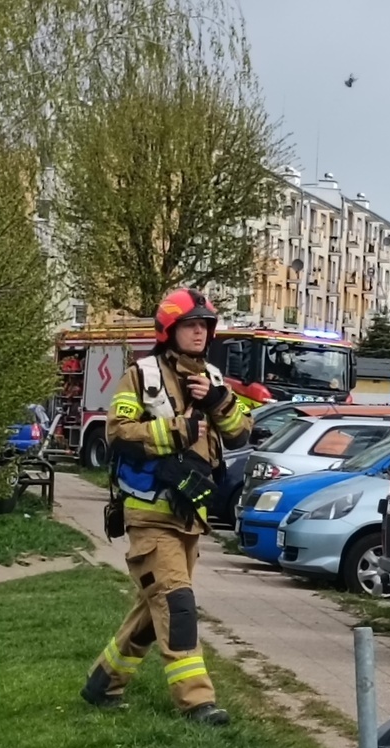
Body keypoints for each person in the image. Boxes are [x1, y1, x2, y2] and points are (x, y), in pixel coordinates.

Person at [80, 288, 253, 725]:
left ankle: (103, 683)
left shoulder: (212, 377)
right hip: (149, 514)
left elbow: (241, 433)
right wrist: (178, 429)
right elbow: (118, 432)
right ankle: (198, 703)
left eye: (205, 325)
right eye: (191, 325)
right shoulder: (141, 376)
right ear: (169, 330)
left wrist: (218, 401)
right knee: (177, 604)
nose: (200, 332)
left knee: (151, 608)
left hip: (189, 518)